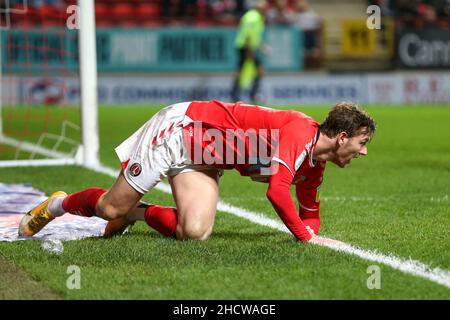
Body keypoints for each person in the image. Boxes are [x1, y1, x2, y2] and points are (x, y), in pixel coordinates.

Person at [19, 100, 376, 244]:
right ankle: (57, 206)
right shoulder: (300, 132)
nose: (363, 152)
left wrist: (310, 232)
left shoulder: (314, 165)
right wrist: (306, 238)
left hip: (206, 158)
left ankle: (135, 214)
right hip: (181, 133)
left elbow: (309, 211)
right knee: (109, 208)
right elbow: (277, 192)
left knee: (194, 232)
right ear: (341, 137)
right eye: (361, 143)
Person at [231, 0, 268, 104]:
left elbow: (254, 35)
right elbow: (247, 33)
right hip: (246, 47)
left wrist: (262, 46)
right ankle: (250, 94)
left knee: (242, 70)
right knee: (256, 70)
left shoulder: (255, 17)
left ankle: (237, 94)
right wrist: (248, 49)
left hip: (247, 46)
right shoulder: (253, 17)